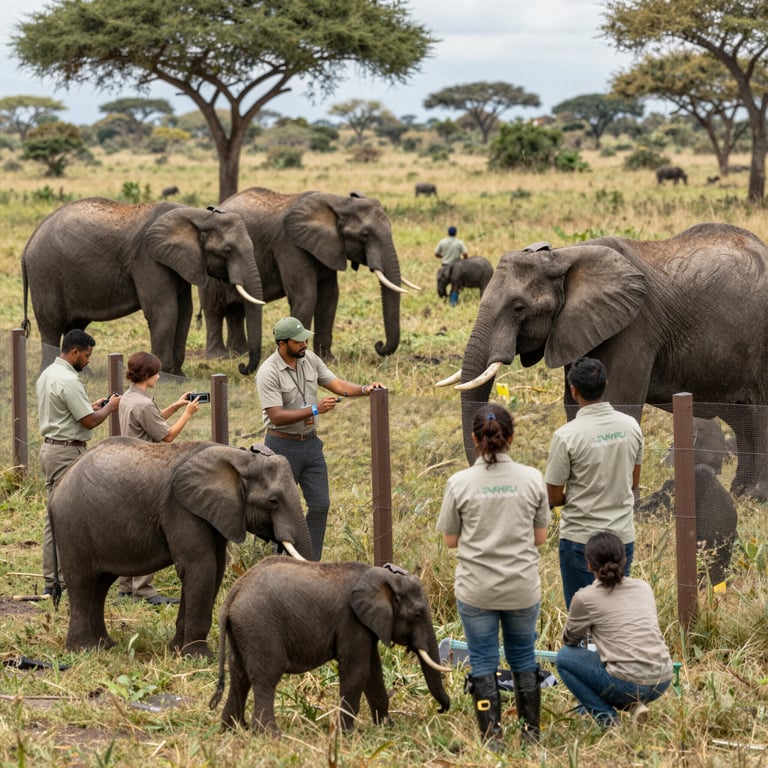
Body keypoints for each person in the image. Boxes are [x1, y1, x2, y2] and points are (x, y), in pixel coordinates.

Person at [436, 403, 550, 750]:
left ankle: (492, 737)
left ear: (474, 439)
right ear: (511, 437)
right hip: (521, 587)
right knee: (524, 658)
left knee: (483, 660)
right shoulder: (532, 479)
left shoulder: (459, 483)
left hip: (477, 590)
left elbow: (450, 540)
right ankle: (531, 735)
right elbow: (540, 537)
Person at [255, 317, 384, 561]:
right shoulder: (268, 372)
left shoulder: (310, 359)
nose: (305, 343)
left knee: (321, 504)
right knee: (279, 509)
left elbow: (336, 384)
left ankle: (310, 560)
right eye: (299, 340)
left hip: (311, 445)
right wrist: (314, 410)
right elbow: (276, 415)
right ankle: (276, 561)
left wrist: (365, 389)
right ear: (282, 344)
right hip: (281, 446)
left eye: (306, 339)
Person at [545, 357, 643, 610]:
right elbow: (633, 482)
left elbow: (553, 497)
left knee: (582, 618)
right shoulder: (631, 426)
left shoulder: (566, 435)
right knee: (615, 617)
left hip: (580, 540)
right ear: (605, 384)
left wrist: (578, 495)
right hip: (621, 538)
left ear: (573, 390)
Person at [556, 531, 673, 727]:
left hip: (627, 683)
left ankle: (607, 720)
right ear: (624, 559)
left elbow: (570, 640)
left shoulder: (585, 597)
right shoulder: (643, 587)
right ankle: (635, 706)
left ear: (589, 565)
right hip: (662, 679)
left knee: (564, 658)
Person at [36, 329, 121, 598]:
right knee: (67, 517)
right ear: (74, 352)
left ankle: (53, 578)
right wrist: (110, 407)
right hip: (67, 453)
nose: (88, 361)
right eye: (86, 356)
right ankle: (63, 578)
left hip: (51, 448)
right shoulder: (70, 381)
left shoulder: (49, 373)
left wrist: (92, 404)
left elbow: (68, 411)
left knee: (54, 514)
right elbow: (89, 421)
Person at [116, 351, 201, 605]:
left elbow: (151, 423)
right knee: (146, 532)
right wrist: (188, 414)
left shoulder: (129, 398)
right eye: (156, 373)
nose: (159, 376)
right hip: (145, 471)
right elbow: (167, 436)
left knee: (130, 530)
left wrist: (175, 406)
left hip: (128, 468)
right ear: (148, 375)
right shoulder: (142, 403)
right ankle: (143, 590)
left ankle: (126, 587)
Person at [434, 225, 468, 307]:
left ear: (448, 233)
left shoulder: (442, 242)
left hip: (445, 266)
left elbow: (436, 253)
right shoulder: (459, 242)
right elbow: (465, 254)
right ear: (456, 233)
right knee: (455, 285)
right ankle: (453, 303)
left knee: (441, 283)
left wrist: (443, 256)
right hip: (457, 267)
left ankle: (443, 299)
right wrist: (464, 261)